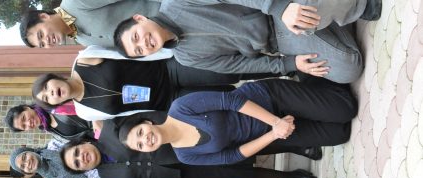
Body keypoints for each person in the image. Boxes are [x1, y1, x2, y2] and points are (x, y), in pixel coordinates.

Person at [113, 0, 377, 84]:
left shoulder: (177, 3)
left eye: (136, 36)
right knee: (349, 69)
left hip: (272, 10)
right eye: (139, 51)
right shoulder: (185, 57)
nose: (144, 44)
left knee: (304, 11)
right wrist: (290, 64)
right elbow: (239, 66)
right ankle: (330, 18)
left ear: (140, 18)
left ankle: (358, 5)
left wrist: (280, 7)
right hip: (278, 40)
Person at [116, 78, 356, 169]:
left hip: (268, 99)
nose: (145, 139)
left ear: (146, 121)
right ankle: (310, 104)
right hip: (270, 132)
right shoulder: (185, 156)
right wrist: (274, 134)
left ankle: (309, 81)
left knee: (346, 109)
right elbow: (231, 156)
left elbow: (231, 100)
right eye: (140, 145)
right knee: (340, 133)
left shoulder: (180, 108)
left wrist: (275, 121)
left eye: (140, 132)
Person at [31, 44, 268, 121]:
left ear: (53, 78)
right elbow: (126, 114)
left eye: (47, 88)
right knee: (228, 99)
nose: (52, 93)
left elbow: (123, 48)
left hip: (169, 70)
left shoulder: (84, 59)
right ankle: (276, 95)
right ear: (55, 104)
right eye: (47, 98)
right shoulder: (85, 112)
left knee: (228, 74)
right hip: (170, 102)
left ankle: (278, 66)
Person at [59, 136, 319, 178]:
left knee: (239, 148)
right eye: (78, 163)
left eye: (78, 153)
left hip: (182, 148)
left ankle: (297, 147)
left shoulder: (110, 132)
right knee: (240, 177)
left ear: (82, 143)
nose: (83, 158)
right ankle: (293, 177)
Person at [19, 2, 167, 49]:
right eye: (42, 44)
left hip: (169, 8)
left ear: (44, 16)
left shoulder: (75, 3)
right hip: (170, 36)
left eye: (41, 35)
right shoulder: (83, 41)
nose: (46, 41)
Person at [10, 146, 88, 178]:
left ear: (29, 151)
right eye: (23, 166)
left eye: (24, 157)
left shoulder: (53, 145)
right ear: (26, 172)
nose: (27, 163)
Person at [6, 103, 95, 142]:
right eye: (24, 126)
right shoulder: (50, 130)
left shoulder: (52, 103)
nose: (28, 123)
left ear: (26, 108)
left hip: (99, 116)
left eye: (24, 118)